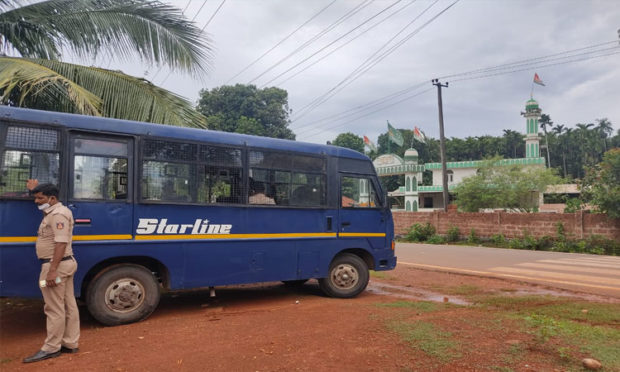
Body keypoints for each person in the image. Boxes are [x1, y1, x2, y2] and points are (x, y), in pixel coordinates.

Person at [23, 180, 80, 363]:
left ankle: (51, 348)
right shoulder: (54, 211)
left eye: (40, 198)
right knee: (68, 304)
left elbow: (61, 243)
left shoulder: (58, 215)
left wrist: (52, 271)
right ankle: (70, 343)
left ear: (52, 198)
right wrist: (35, 190)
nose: (36, 201)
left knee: (53, 307)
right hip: (64, 265)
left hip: (55, 267)